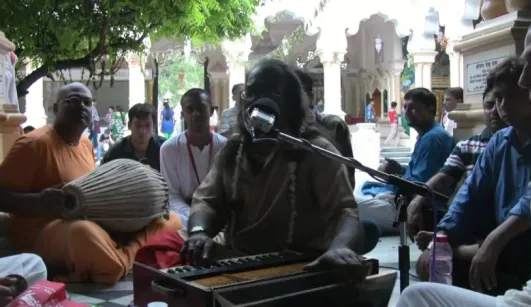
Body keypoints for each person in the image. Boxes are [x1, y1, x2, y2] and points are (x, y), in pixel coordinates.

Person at [135, 59, 375, 270]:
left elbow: (346, 213)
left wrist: (339, 248)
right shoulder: (234, 150)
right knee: (155, 250)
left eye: (270, 93)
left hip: (298, 262)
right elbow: (208, 202)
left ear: (290, 103)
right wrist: (199, 233)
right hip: (236, 258)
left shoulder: (314, 151)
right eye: (251, 93)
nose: (257, 102)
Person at [0, 83, 181, 284]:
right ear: (55, 108)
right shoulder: (33, 144)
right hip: (43, 231)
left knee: (170, 220)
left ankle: (121, 257)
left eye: (87, 102)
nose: (82, 107)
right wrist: (40, 202)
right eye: (73, 101)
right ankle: (124, 260)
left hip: (89, 220)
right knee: (83, 233)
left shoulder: (85, 144)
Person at [415, 57, 531, 294]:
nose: (502, 106)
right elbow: (470, 194)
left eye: (510, 96)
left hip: (525, 247)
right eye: (498, 99)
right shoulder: (499, 143)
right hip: (496, 242)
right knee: (434, 261)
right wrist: (441, 237)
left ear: (530, 94)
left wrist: (492, 243)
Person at [407, 85, 507, 239]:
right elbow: (444, 177)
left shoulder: (519, 147)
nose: (494, 111)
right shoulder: (467, 146)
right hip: (471, 225)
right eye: (488, 105)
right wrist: (418, 201)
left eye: (500, 103)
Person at [356, 88, 455, 234]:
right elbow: (419, 173)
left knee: (350, 206)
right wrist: (399, 170)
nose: (407, 112)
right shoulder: (428, 135)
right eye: (405, 107)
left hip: (417, 210)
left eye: (413, 108)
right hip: (405, 201)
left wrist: (392, 179)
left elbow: (419, 186)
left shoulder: (433, 139)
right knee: (362, 189)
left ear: (430, 109)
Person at [160, 89, 227, 227]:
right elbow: (171, 195)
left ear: (212, 110)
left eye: (201, 108)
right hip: (184, 216)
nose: (196, 114)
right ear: (182, 114)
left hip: (218, 214)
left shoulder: (225, 147)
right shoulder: (169, 149)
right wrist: (196, 217)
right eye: (190, 109)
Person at [294, 68, 355, 188]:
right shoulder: (277, 129)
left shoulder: (334, 126)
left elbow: (349, 179)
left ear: (310, 97)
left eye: (296, 92)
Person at [101, 103, 166, 172]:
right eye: (138, 125)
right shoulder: (114, 154)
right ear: (129, 125)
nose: (142, 131)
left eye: (147, 125)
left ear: (154, 126)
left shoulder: (164, 149)